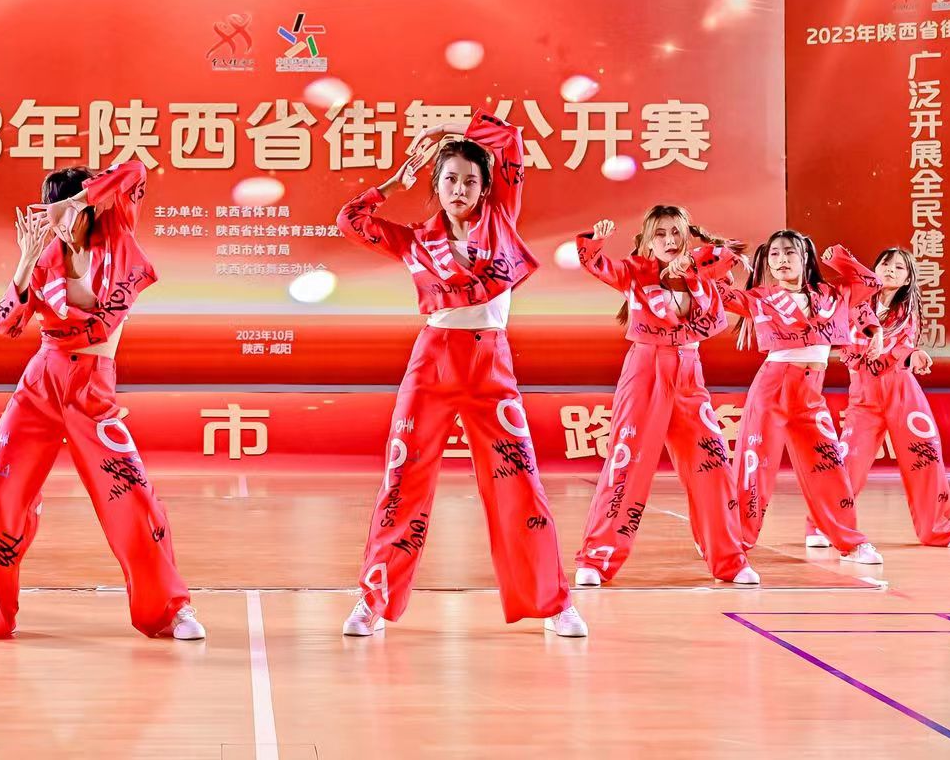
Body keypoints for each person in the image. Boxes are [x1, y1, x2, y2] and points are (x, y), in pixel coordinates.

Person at [335, 112, 587, 639]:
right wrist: (391, 184)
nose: (460, 189)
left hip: (491, 364)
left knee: (520, 482)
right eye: (449, 179)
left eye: (470, 181)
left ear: (485, 187)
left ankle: (553, 602)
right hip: (433, 361)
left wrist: (449, 128)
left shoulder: (502, 219)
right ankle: (373, 600)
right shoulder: (414, 240)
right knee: (403, 481)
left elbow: (510, 140)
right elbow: (350, 220)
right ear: (436, 184)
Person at [0, 160, 203, 642]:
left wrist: (82, 198)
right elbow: (6, 324)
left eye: (63, 207)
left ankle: (169, 610)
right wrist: (25, 263)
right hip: (40, 386)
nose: (53, 218)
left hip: (92, 389)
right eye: (48, 208)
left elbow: (135, 171)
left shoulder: (117, 234)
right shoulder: (44, 256)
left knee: (132, 497)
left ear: (90, 205)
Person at [571, 207, 759, 588]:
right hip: (645, 372)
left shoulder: (700, 274)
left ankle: (729, 560)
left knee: (713, 464)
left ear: (686, 236)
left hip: (689, 376)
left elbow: (726, 261)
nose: (669, 240)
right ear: (646, 241)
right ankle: (597, 558)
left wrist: (698, 266)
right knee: (626, 463)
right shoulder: (634, 272)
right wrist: (598, 241)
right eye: (660, 234)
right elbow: (595, 263)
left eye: (675, 232)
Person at [717, 231, 884, 565]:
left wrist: (837, 257)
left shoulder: (832, 295)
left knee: (829, 466)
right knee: (755, 467)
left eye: (790, 252)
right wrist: (722, 259)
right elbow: (718, 294)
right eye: (775, 254)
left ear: (806, 256)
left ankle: (849, 542)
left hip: (810, 394)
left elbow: (870, 283)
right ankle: (735, 541)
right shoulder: (761, 298)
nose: (781, 260)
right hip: (772, 389)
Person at [832, 246, 950, 549]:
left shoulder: (907, 313)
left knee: (925, 455)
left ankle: (938, 529)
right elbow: (842, 338)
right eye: (884, 264)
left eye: (899, 268)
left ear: (908, 279)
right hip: (864, 395)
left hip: (902, 392)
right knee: (848, 461)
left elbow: (904, 347)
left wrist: (914, 355)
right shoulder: (852, 301)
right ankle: (825, 525)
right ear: (873, 270)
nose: (890, 270)